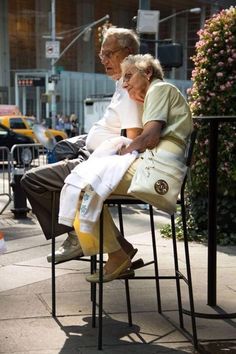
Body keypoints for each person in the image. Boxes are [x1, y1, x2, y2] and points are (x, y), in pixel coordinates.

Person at [21, 27, 143, 263]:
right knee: (58, 155)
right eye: (101, 55)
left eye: (109, 54)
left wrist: (96, 160)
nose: (104, 60)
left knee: (32, 180)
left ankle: (78, 237)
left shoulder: (130, 88)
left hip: (98, 162)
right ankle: (117, 244)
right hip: (90, 153)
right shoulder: (121, 84)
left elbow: (133, 140)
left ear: (127, 53)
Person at [81, 53, 193, 283]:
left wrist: (125, 151)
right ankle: (115, 249)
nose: (125, 83)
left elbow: (149, 138)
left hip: (157, 172)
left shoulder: (159, 89)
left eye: (129, 76)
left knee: (84, 187)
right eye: (123, 78)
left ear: (148, 72)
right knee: (88, 188)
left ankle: (115, 254)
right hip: (160, 170)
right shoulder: (160, 93)